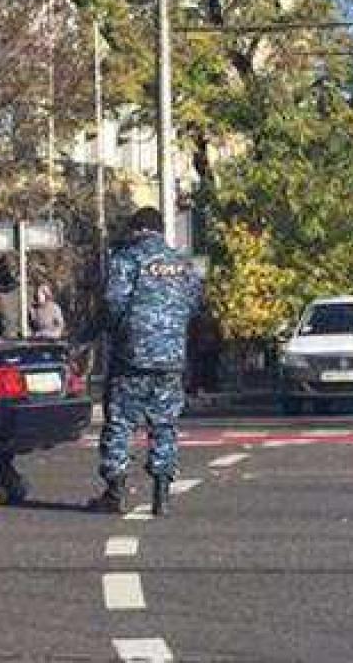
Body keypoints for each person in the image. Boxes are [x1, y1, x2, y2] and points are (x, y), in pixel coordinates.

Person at [88, 208, 203, 517]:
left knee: (120, 422)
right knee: (164, 424)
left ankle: (115, 491)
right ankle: (161, 494)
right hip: (171, 357)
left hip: (132, 356)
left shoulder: (127, 259)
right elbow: (194, 304)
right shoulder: (182, 263)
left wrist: (109, 332)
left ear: (137, 229)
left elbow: (112, 302)